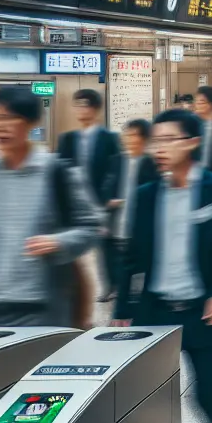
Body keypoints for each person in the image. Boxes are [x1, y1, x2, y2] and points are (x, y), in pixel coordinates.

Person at [112, 108, 212, 423]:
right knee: (147, 394)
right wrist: (123, 308)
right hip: (156, 313)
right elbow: (132, 256)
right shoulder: (145, 195)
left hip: (199, 311)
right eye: (155, 141)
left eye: (168, 140)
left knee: (204, 391)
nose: (158, 149)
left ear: (192, 142)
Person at [0, 85, 101, 327]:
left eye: (8, 117)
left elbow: (91, 225)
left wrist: (60, 242)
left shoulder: (57, 173)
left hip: (42, 309)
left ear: (31, 122)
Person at [56, 87, 120, 298]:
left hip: (101, 201)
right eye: (77, 105)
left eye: (85, 105)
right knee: (71, 244)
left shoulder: (109, 138)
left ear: (96, 109)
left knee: (105, 247)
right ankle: (72, 288)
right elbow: (60, 171)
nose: (81, 110)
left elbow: (115, 169)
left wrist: (108, 199)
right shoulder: (67, 139)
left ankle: (110, 285)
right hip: (74, 201)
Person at [104, 118, 159, 307]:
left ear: (144, 139)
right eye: (127, 134)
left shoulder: (151, 164)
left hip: (139, 224)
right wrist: (108, 201)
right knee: (115, 259)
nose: (129, 138)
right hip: (117, 220)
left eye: (134, 134)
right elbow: (106, 187)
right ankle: (118, 290)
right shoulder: (116, 161)